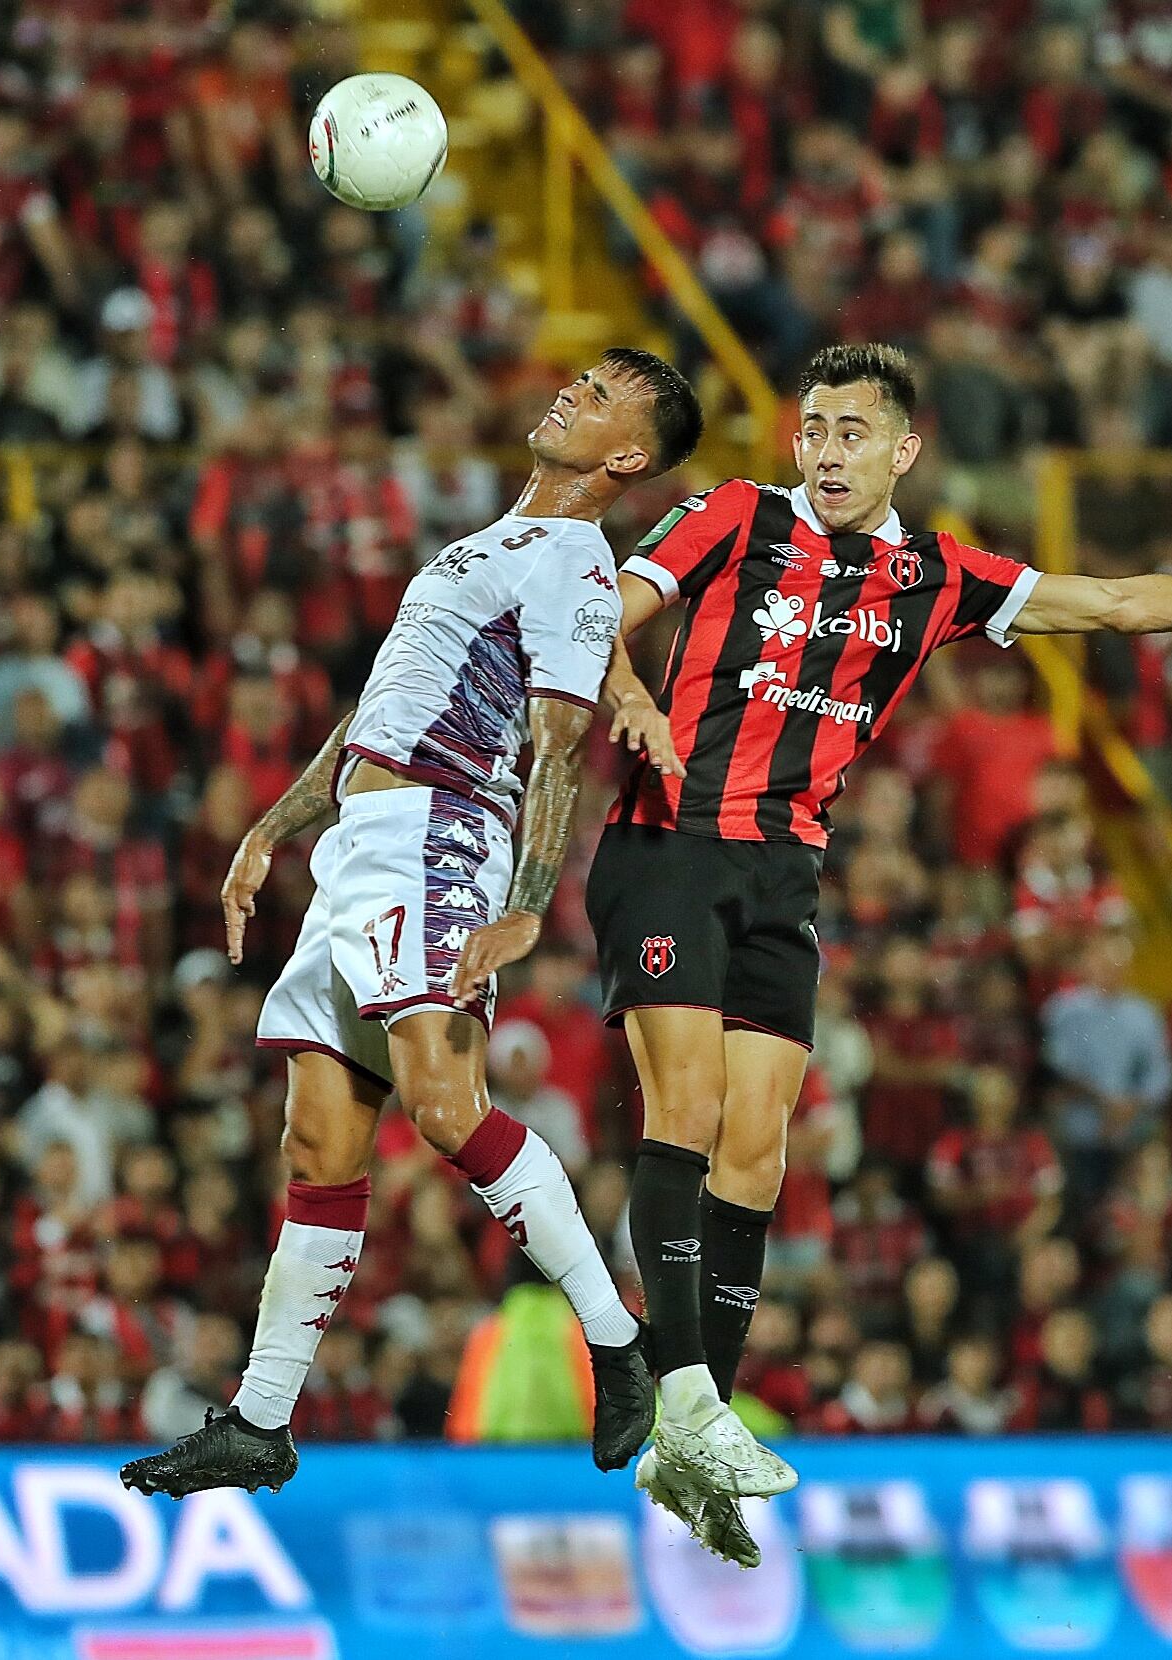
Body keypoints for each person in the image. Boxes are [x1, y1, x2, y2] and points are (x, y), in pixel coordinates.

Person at [591, 341, 1172, 1565]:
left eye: (852, 430)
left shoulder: (935, 574)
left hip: (785, 868)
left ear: (904, 448)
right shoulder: (732, 515)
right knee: (690, 1106)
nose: (825, 450)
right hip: (672, 839)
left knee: (759, 1144)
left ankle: (696, 1442)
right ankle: (688, 1397)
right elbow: (600, 608)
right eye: (812, 427)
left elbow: (1118, 602)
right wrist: (631, 694)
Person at [120, 351, 705, 1500]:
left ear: (628, 456)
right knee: (318, 1144)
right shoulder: (488, 542)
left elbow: (557, 739)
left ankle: (619, 1342)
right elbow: (383, 699)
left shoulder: (579, 564)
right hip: (357, 844)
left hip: (438, 837)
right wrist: (276, 824)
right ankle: (260, 1419)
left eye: (599, 397)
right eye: (578, 380)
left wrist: (529, 905)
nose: (568, 395)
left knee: (446, 1108)